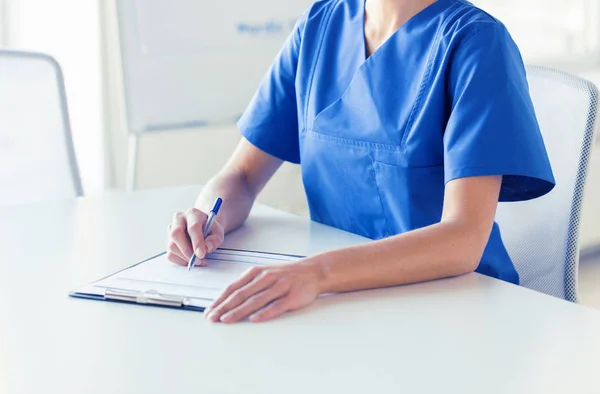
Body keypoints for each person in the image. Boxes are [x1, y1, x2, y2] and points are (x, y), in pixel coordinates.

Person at [166, 0, 555, 323]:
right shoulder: (321, 24)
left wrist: (317, 273)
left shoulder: (476, 42)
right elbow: (241, 176)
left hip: (457, 309)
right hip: (341, 303)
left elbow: (464, 239)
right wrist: (206, 217)